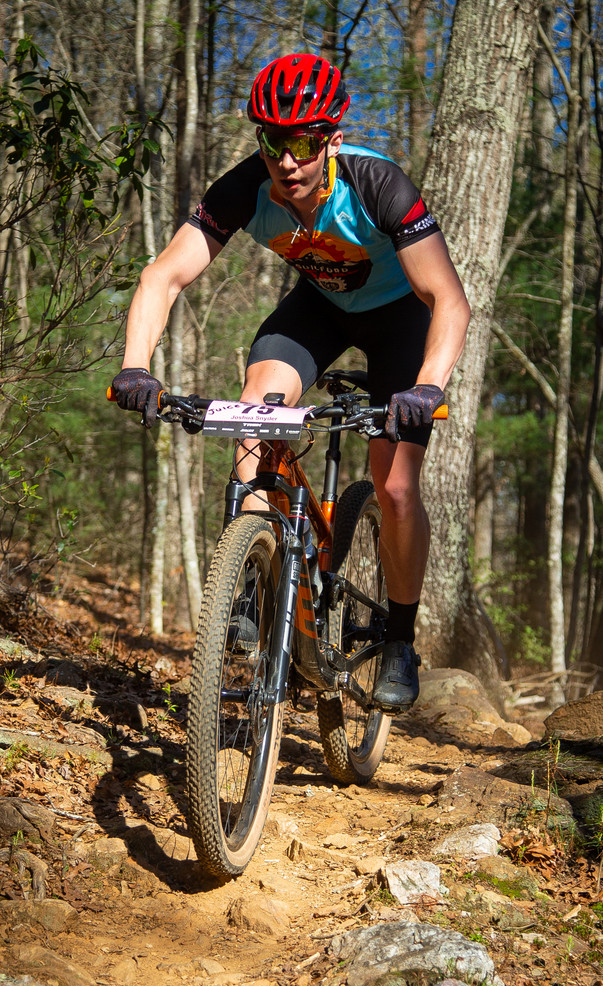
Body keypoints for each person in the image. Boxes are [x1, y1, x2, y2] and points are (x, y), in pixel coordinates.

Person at [111, 52, 470, 713]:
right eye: (273, 142)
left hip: (400, 321)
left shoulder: (376, 183)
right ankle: (249, 578)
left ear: (332, 139)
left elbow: (447, 298)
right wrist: (135, 365)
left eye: (303, 143)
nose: (287, 160)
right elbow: (163, 276)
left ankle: (398, 638)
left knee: (394, 486)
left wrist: (428, 387)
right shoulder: (245, 187)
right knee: (254, 411)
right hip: (318, 311)